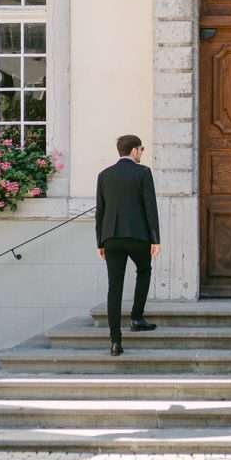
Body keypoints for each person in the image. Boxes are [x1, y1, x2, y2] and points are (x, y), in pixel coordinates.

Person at [96, 134, 161, 356]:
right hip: (137, 236)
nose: (142, 153)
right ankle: (136, 317)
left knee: (114, 287)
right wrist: (155, 239)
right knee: (144, 271)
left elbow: (100, 211)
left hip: (111, 237)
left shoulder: (104, 175)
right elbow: (150, 206)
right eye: (141, 149)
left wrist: (100, 242)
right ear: (134, 151)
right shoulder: (143, 173)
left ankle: (115, 341)